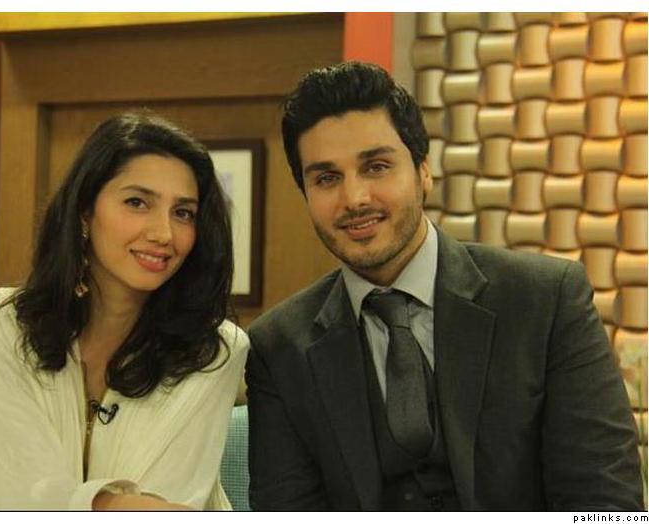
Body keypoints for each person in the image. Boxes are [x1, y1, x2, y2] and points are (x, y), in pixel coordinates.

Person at [245, 61, 643, 511]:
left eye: (376, 166)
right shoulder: (279, 347)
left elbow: (605, 504)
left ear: (423, 171)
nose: (354, 198)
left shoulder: (546, 301)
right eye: (327, 178)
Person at [0, 111, 249, 510]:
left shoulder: (214, 351)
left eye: (183, 213)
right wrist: (111, 505)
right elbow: (16, 492)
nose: (164, 234)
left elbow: (169, 503)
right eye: (137, 202)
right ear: (85, 211)